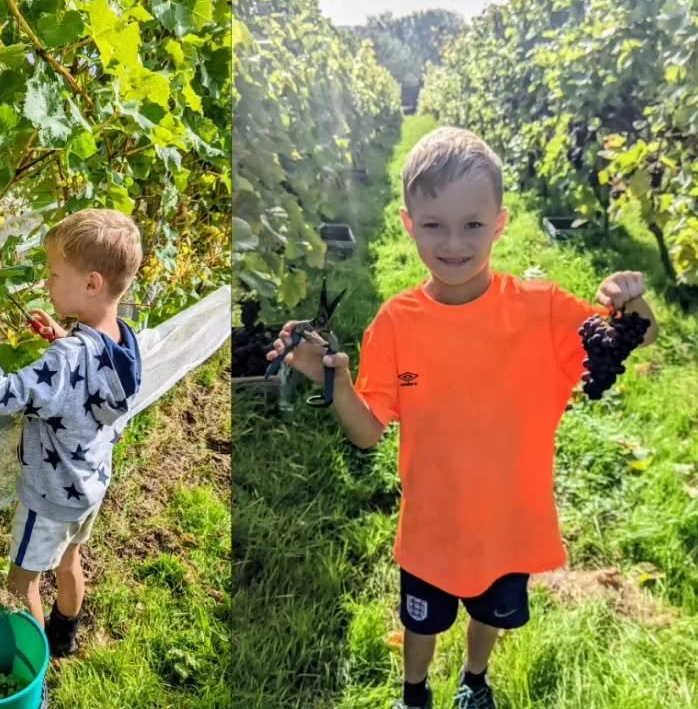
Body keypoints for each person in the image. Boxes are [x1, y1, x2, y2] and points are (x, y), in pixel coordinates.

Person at [265, 126, 659, 709]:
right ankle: (415, 692)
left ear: (499, 223)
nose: (453, 243)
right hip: (432, 530)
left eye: (472, 225)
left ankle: (474, 681)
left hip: (509, 525)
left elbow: (637, 336)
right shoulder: (396, 323)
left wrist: (630, 301)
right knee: (421, 623)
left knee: (489, 614)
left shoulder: (542, 309)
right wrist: (336, 381)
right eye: (434, 226)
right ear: (408, 224)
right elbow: (369, 432)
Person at [0, 209, 144, 674]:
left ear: (92, 283)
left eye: (55, 274)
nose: (48, 282)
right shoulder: (122, 340)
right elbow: (87, 374)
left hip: (50, 497)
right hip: (89, 485)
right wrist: (63, 338)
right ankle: (65, 637)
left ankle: (33, 682)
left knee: (22, 586)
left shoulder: (66, 358)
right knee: (69, 561)